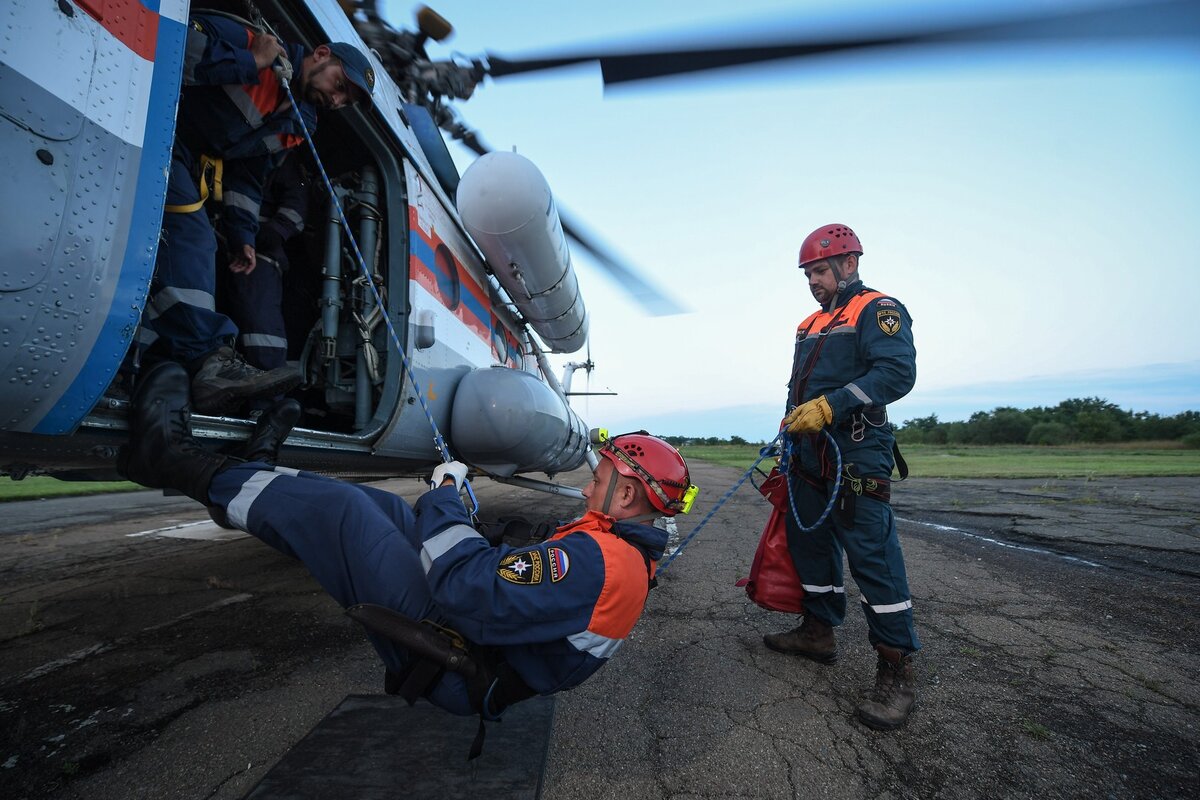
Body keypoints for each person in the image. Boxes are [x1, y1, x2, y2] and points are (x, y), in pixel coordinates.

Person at [116, 360, 698, 721]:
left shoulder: (603, 562)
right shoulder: (615, 549)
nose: (590, 482)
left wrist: (446, 495)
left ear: (627, 494)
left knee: (346, 514)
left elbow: (466, 586)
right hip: (478, 644)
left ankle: (174, 462)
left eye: (601, 477)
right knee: (387, 507)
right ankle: (254, 473)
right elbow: (517, 575)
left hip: (456, 663)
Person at [136, 12, 374, 414]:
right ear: (320, 54)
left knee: (197, 247)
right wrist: (251, 62)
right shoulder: (248, 42)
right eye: (340, 86)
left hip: (185, 163)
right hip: (156, 128)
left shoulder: (299, 124)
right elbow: (162, 49)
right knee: (192, 240)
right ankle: (209, 362)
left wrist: (243, 236)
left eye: (345, 100)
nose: (337, 100)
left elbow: (248, 175)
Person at [764, 223, 921, 731]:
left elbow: (896, 373)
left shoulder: (878, 308)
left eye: (820, 271)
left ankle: (895, 668)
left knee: (872, 556)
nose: (813, 281)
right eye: (807, 274)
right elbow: (799, 389)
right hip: (807, 453)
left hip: (855, 450)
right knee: (809, 545)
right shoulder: (809, 324)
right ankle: (818, 631)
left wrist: (831, 407)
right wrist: (788, 434)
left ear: (849, 264)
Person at [221, 149, 310, 373]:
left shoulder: (281, 153)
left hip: (259, 253)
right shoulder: (226, 144)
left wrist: (272, 233)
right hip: (218, 243)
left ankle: (269, 382)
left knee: (259, 321)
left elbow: (297, 203)